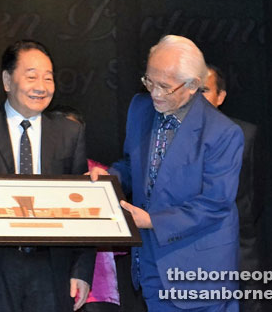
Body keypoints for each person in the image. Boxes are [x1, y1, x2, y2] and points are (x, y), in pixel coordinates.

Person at [91, 35, 243, 311]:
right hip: (150, 261)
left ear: (193, 85)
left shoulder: (222, 133)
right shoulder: (140, 108)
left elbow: (215, 204)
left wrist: (152, 220)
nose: (155, 93)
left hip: (199, 270)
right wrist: (109, 178)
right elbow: (132, 163)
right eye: (149, 81)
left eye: (165, 87)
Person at [0, 40, 96, 312]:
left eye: (48, 77)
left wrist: (81, 270)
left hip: (53, 270)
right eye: (31, 76)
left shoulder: (69, 133)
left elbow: (83, 209)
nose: (41, 86)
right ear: (7, 80)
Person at [202, 64, 263, 312]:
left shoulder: (245, 134)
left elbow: (256, 193)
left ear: (220, 97)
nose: (197, 97)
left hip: (237, 245)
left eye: (204, 90)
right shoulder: (167, 136)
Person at [50, 105, 122, 312]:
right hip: (49, 283)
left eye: (73, 132)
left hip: (97, 288)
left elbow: (120, 237)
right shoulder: (36, 177)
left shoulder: (100, 175)